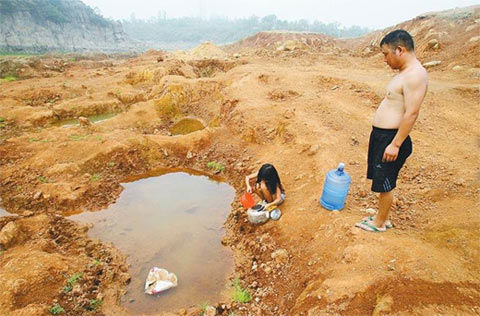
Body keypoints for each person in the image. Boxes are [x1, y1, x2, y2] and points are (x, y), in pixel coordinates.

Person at [355, 29, 428, 232]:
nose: (385, 59)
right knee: (380, 179)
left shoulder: (415, 75)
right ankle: (381, 216)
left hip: (391, 138)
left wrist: (395, 144)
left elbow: (412, 113)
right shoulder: (405, 74)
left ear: (399, 50)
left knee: (385, 181)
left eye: (386, 54)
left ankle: (379, 223)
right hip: (382, 136)